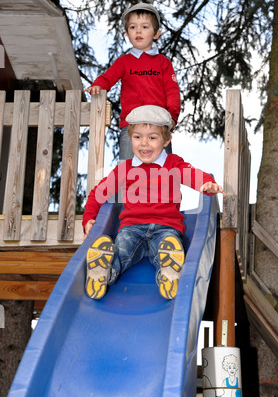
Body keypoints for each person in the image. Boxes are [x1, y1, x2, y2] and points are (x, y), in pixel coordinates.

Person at [83, 105, 225, 301]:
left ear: (166, 140)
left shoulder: (173, 163)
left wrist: (206, 184)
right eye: (138, 137)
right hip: (131, 228)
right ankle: (104, 272)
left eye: (152, 137)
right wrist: (89, 217)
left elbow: (190, 174)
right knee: (122, 250)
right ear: (130, 138)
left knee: (166, 249)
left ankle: (168, 274)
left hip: (166, 228)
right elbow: (99, 192)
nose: (144, 144)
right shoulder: (124, 169)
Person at [84, 2, 180, 161]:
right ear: (127, 35)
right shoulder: (124, 62)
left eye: (145, 26)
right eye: (133, 27)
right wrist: (98, 86)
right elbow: (107, 78)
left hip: (159, 125)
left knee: (162, 174)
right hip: (131, 127)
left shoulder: (164, 63)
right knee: (126, 170)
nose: (138, 31)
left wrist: (172, 117)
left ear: (156, 33)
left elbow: (172, 91)